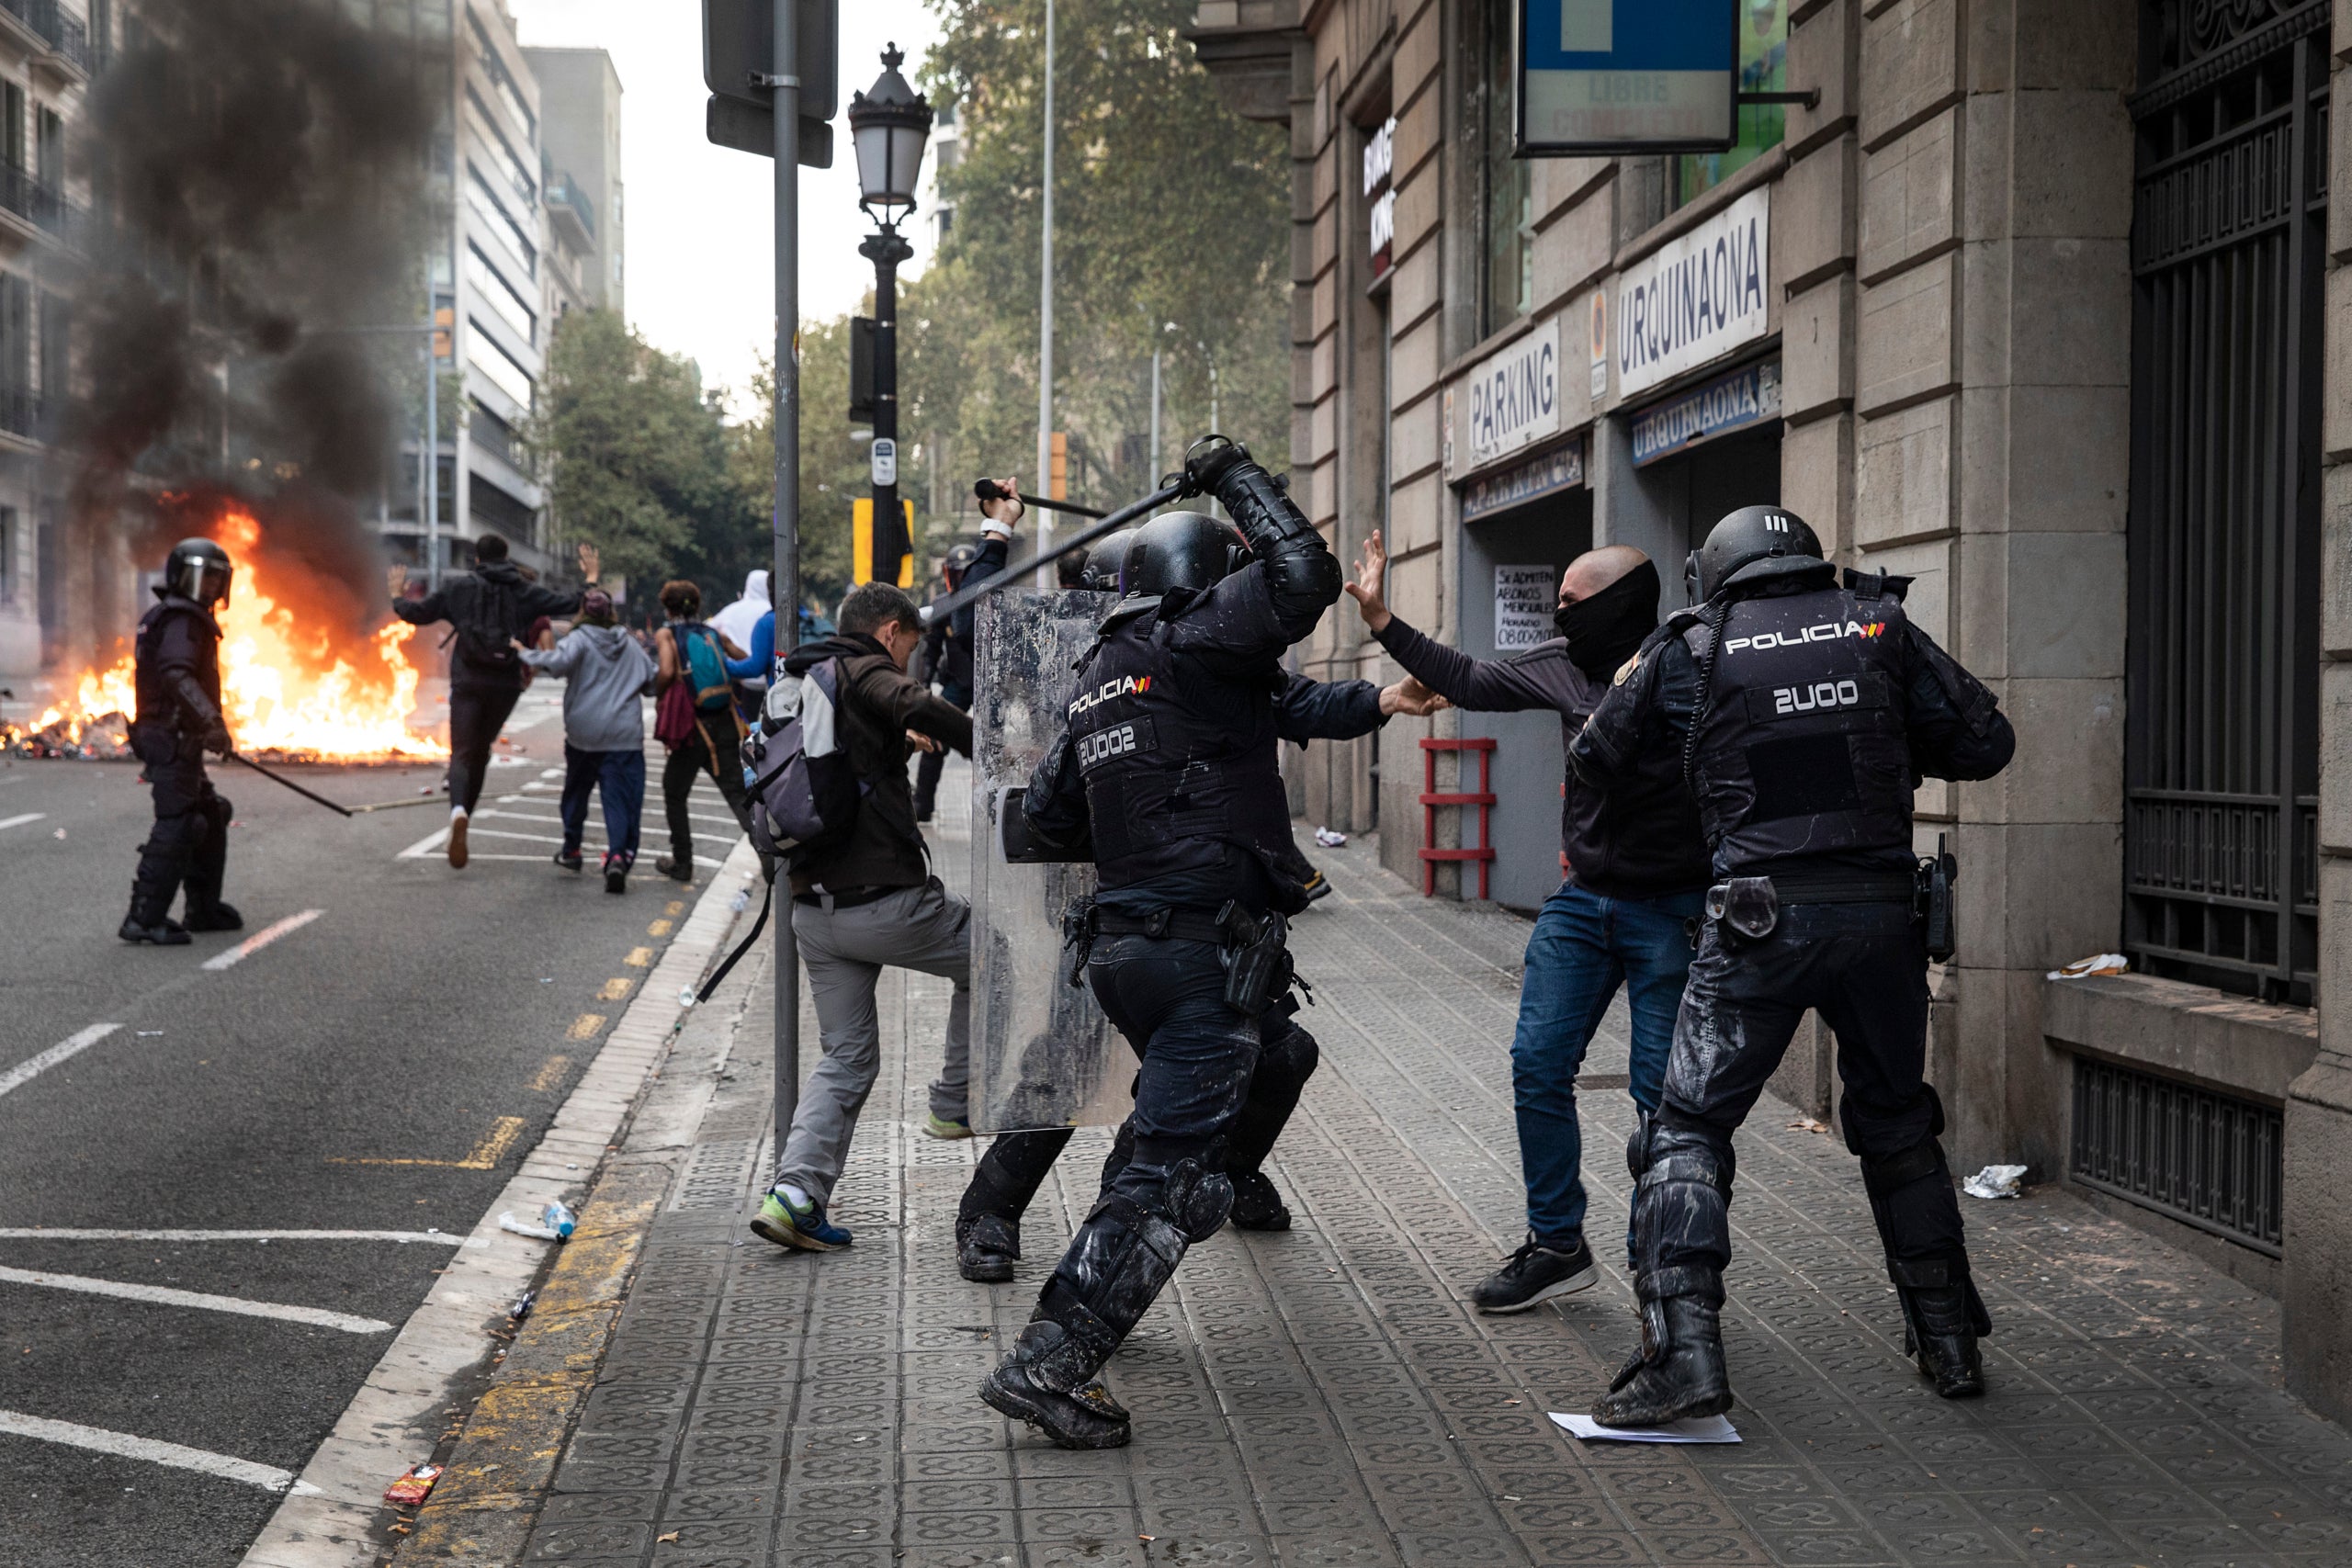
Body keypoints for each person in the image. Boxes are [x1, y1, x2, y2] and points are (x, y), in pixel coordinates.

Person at [1570, 506, 2016, 1425]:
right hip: (1882, 923)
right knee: (1896, 1121)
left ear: (1716, 571)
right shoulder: (1875, 625)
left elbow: (1595, 758)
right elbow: (1984, 743)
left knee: (1684, 1131)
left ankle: (1683, 1358)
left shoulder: (1691, 645)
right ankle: (1949, 1345)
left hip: (1754, 924)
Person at [977, 436, 1341, 1451]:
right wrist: (1232, 469)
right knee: (1172, 1172)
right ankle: (1051, 1360)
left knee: (1275, 1058)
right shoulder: (1197, 636)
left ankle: (1115, 1258)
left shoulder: (1103, 673)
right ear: (1204, 584)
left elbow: (1044, 823)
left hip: (1132, 952)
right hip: (1194, 957)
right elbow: (1306, 575)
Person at [956, 665, 1445, 1282]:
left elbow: (1298, 700)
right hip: (1113, 904)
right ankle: (990, 1209)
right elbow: (1051, 799)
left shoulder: (1218, 658)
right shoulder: (1110, 668)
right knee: (1070, 1062)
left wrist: (1382, 697)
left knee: (1284, 1053)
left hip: (1208, 922)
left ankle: (1231, 1167)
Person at [1345, 530, 1710, 1314]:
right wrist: (1381, 619)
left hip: (1668, 912)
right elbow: (1469, 679)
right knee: (1538, 1066)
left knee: (1662, 1102)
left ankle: (1663, 1269)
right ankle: (1557, 1244)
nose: (1561, 616)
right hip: (1581, 907)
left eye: (1574, 603)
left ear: (1617, 604)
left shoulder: (1687, 666)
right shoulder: (1562, 661)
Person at [749, 581, 981, 1252]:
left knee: (846, 1057)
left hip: (813, 912)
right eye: (907, 646)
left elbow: (848, 762)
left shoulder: (804, 675)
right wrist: (985, 741)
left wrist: (902, 745)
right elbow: (907, 698)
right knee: (996, 946)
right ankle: (955, 1101)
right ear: (889, 631)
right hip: (885, 902)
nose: (907, 659)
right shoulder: (863, 667)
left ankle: (794, 1197)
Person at [390, 535, 597, 869]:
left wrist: (397, 595)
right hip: (505, 682)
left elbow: (417, 614)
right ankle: (466, 814)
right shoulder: (523, 590)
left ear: (476, 559)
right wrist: (591, 577)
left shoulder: (460, 588)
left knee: (461, 751)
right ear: (507, 556)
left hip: (468, 680)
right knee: (482, 749)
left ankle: (458, 812)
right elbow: (571, 602)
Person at [120, 537, 240, 944]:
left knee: (211, 810)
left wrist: (207, 727)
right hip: (169, 736)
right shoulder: (183, 620)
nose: (208, 589)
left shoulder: (177, 617)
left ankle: (203, 909)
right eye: (201, 579)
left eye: (215, 581)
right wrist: (211, 722)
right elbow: (176, 674)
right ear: (178, 576)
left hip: (176, 736)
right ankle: (143, 918)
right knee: (180, 823)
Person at [517, 587, 657, 893]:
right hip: (624, 736)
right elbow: (652, 683)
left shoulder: (578, 639)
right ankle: (618, 855)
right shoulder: (630, 643)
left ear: (581, 610)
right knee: (619, 799)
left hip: (583, 734)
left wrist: (522, 651)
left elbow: (555, 664)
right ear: (611, 612)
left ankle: (572, 850)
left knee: (576, 793)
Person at [650, 580, 755, 882]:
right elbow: (744, 659)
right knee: (737, 793)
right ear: (696, 605)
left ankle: (682, 862)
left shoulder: (667, 634)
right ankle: (769, 858)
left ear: (667, 608)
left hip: (691, 728)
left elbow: (668, 671)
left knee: (674, 791)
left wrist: (658, 694)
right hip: (724, 724)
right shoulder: (712, 634)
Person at [913, 542, 983, 822]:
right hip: (956, 680)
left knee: (990, 745)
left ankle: (995, 805)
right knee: (934, 738)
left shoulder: (990, 598)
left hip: (987, 683)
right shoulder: (943, 605)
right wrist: (922, 686)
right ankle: (923, 803)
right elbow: (930, 650)